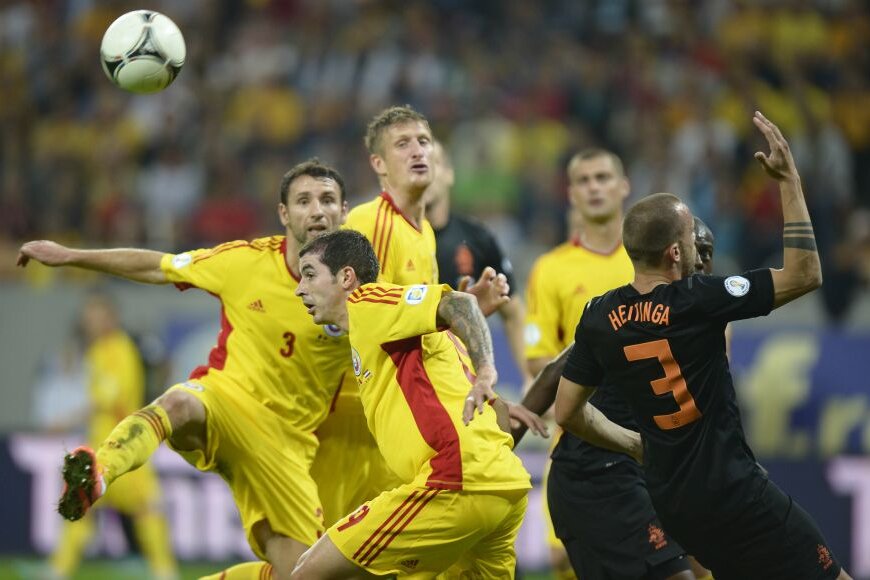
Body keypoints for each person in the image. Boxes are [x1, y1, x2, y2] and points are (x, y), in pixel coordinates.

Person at [18, 159, 356, 580]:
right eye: (304, 201)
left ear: (344, 211)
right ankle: (99, 472)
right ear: (284, 213)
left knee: (301, 574)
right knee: (179, 403)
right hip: (225, 402)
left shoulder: (360, 289)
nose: (317, 210)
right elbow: (156, 266)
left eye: (327, 200)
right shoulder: (243, 262)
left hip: (286, 448)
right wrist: (71, 256)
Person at [553, 112, 851, 580]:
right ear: (675, 252)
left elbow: (567, 411)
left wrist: (633, 444)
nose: (697, 243)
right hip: (733, 493)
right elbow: (805, 274)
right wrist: (790, 181)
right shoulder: (698, 300)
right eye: (690, 235)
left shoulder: (598, 316)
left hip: (672, 505)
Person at [292, 229, 531, 578]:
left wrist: (486, 371)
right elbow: (498, 411)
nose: (299, 288)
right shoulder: (414, 330)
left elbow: (460, 305)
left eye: (310, 274)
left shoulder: (367, 303)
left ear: (346, 277)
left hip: (453, 482)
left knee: (307, 572)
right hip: (503, 485)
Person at [523, 149, 694, 580]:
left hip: (658, 436)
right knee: (567, 563)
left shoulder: (651, 258)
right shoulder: (550, 269)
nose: (594, 187)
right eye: (584, 180)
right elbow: (541, 359)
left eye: (602, 177)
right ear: (571, 194)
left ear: (624, 187)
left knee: (690, 557)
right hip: (585, 438)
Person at [46, 293, 178, 580]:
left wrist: (65, 420)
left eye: (95, 316)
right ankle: (58, 571)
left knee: (146, 508)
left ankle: (165, 572)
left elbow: (109, 399)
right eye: (87, 317)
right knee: (84, 505)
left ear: (110, 317)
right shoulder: (98, 351)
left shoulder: (119, 349)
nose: (89, 322)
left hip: (123, 447)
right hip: (102, 445)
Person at [425, 141, 531, 386]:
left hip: (465, 381)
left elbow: (514, 312)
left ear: (449, 173)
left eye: (434, 162)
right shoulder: (391, 237)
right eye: (418, 164)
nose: (426, 171)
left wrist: (528, 377)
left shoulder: (476, 237)